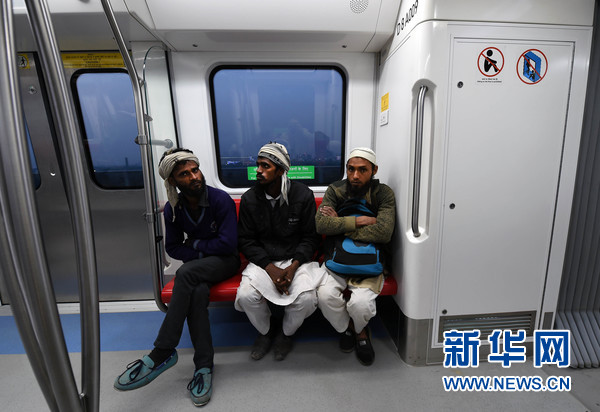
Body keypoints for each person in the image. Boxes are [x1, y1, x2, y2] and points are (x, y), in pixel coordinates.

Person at [114, 148, 240, 407]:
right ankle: (203, 366)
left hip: (226, 262)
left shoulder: (220, 200)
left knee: (185, 272)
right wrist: (202, 249)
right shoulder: (173, 208)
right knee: (197, 291)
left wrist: (194, 244)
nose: (194, 177)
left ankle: (163, 350)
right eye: (185, 174)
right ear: (172, 180)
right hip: (199, 267)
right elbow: (172, 247)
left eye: (195, 170)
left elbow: (228, 244)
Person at [235, 142, 322, 361]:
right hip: (264, 261)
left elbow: (310, 238)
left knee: (306, 299)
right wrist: (270, 268)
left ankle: (286, 333)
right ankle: (266, 330)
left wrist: (292, 267)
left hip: (296, 260)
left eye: (265, 166)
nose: (258, 170)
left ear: (281, 170)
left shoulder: (302, 195)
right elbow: (246, 241)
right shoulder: (250, 199)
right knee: (245, 296)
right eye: (258, 165)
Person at [316, 147, 396, 366]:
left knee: (360, 305)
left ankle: (359, 331)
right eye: (351, 169)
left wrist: (339, 225)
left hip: (369, 262)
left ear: (374, 170)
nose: (355, 176)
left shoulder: (383, 194)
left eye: (362, 170)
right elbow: (321, 224)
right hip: (337, 258)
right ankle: (349, 328)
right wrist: (360, 221)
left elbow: (384, 232)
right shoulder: (335, 189)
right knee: (324, 297)